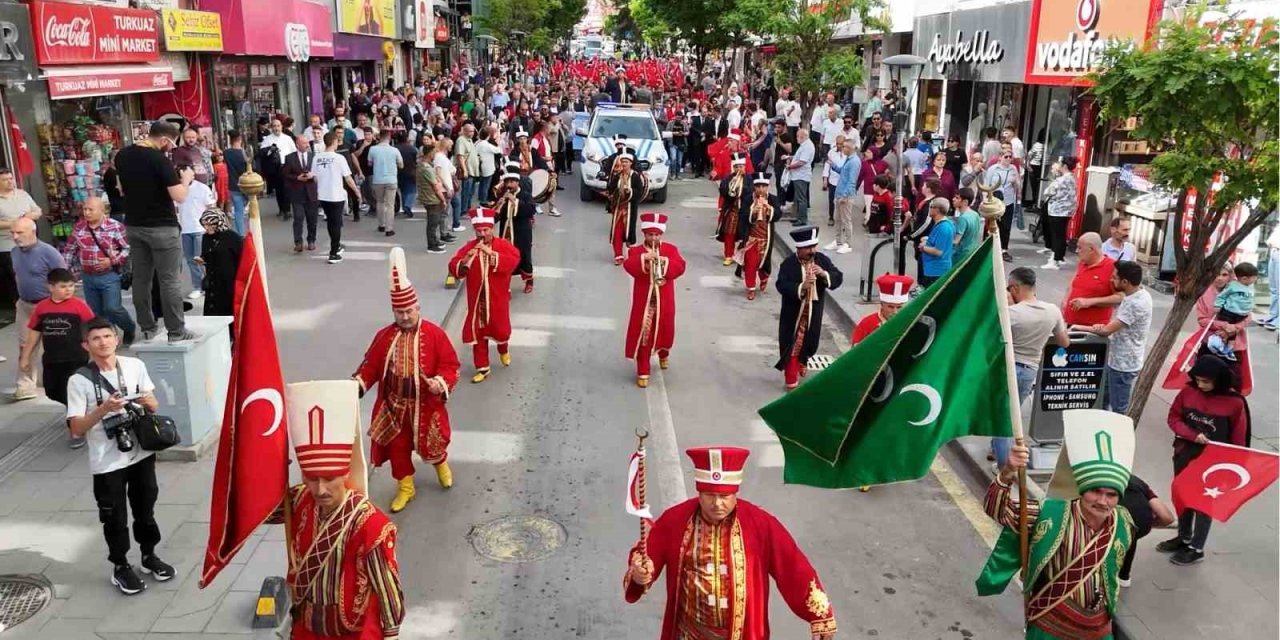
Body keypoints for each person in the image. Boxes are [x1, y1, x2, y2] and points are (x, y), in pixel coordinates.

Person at [623, 446, 838, 639]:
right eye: (709, 495)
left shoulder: (761, 525)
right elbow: (645, 559)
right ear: (699, 492)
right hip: (688, 633)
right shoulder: (674, 521)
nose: (717, 503)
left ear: (735, 493)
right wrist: (641, 574)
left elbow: (792, 567)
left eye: (724, 496)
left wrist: (820, 617)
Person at [978, 415, 1135, 640]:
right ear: (1082, 490)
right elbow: (997, 511)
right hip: (1050, 627)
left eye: (1111, 495)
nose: (1103, 501)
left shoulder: (1123, 522)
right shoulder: (1049, 513)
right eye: (1095, 492)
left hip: (1098, 630)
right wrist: (1008, 471)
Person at [271, 380, 405, 638]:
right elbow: (258, 513)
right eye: (312, 478)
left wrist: (391, 634)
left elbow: (388, 591)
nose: (320, 490)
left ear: (344, 473)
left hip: (349, 632)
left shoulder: (371, 524)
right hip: (307, 628)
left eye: (329, 478)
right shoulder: (300, 500)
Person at [67, 317, 174, 595]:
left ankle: (149, 556)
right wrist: (103, 409)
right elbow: (76, 429)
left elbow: (154, 404)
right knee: (114, 518)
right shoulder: (79, 380)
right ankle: (120, 566)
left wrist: (142, 400)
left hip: (140, 453)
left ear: (117, 339)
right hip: (106, 462)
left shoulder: (134, 365)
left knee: (145, 510)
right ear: (85, 344)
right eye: (96, 338)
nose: (103, 342)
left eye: (107, 336)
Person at [353, 248, 461, 511]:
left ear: (418, 307)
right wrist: (356, 385)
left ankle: (441, 465)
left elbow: (451, 365)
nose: (404, 316)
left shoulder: (435, 335)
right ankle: (405, 488)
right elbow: (371, 366)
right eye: (399, 311)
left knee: (432, 443)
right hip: (394, 407)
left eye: (408, 310)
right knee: (398, 450)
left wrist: (440, 382)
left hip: (426, 405)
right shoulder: (384, 336)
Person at [1157, 355, 1250, 566]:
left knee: (1204, 503)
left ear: (1220, 380)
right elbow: (1174, 418)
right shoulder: (1188, 392)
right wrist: (1191, 434)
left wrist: (1232, 468)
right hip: (1184, 453)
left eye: (1206, 381)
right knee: (1183, 495)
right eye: (1198, 380)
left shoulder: (1235, 403)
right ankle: (1184, 537)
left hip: (1214, 463)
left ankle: (1196, 548)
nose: (1201, 385)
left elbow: (1238, 439)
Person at [115, 122, 194, 343]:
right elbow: (179, 196)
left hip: (134, 225)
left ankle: (148, 327)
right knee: (169, 280)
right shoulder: (160, 160)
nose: (170, 148)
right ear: (163, 140)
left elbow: (121, 188)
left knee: (141, 278)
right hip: (162, 227)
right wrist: (186, 180)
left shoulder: (122, 155)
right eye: (170, 144)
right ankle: (176, 330)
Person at [999, 267, 1070, 466]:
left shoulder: (1010, 314)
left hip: (1007, 369)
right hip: (1030, 370)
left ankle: (1005, 467)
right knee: (1012, 417)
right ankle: (999, 450)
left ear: (1014, 288)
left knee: (1001, 421)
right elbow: (1064, 342)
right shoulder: (1052, 311)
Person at [448, 208, 521, 384]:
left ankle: (503, 349)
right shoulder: (469, 247)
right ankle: (482, 367)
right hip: (477, 301)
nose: (482, 234)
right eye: (479, 231)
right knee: (478, 334)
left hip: (497, 298)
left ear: (491, 229)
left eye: (485, 230)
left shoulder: (502, 244)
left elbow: (514, 259)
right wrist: (466, 260)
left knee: (501, 330)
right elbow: (454, 266)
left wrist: (491, 254)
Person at [1072, 260, 1152, 414]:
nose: (1111, 279)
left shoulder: (1135, 303)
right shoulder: (1140, 294)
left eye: (1114, 277)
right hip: (1117, 359)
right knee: (1103, 400)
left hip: (1122, 365)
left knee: (1118, 409)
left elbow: (1107, 331)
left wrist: (1079, 327)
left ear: (1125, 282)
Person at [1162, 264, 1255, 395]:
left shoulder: (1240, 290)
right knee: (1203, 381)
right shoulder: (1204, 293)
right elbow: (1202, 320)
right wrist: (1223, 325)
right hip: (1210, 342)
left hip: (1234, 345)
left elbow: (1248, 315)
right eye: (1217, 274)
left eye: (1224, 275)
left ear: (1231, 276)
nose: (1220, 278)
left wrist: (1234, 328)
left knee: (1233, 382)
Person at [622, 213, 687, 388]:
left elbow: (681, 267)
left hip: (665, 300)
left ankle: (663, 352)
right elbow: (628, 265)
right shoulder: (636, 251)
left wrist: (663, 261)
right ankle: (643, 368)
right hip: (645, 302)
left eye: (657, 235)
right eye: (650, 234)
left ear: (661, 235)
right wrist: (644, 259)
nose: (653, 238)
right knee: (644, 332)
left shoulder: (670, 249)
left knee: (666, 328)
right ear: (644, 234)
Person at [775, 226, 844, 390]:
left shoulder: (822, 260)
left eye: (814, 247)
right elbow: (781, 285)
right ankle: (791, 379)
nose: (812, 251)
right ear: (799, 249)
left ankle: (803, 360)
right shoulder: (788, 264)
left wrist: (824, 274)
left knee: (809, 341)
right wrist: (801, 287)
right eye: (808, 248)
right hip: (793, 314)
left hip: (813, 312)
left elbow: (837, 277)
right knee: (792, 344)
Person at [61, 197, 135, 346]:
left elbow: (127, 248)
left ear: (102, 210)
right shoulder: (79, 227)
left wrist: (112, 260)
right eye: (85, 209)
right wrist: (65, 272)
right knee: (96, 313)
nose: (87, 213)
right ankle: (108, 341)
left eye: (90, 210)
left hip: (109, 276)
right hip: (88, 277)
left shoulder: (115, 226)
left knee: (112, 308)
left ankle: (129, 327)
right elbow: (70, 250)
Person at [18, 268, 93, 413]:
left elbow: (93, 328)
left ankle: (77, 415)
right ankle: (76, 409)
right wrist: (25, 357)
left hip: (76, 357)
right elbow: (34, 333)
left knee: (72, 388)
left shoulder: (79, 305)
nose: (68, 290)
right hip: (52, 358)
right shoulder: (42, 307)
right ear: (51, 287)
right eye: (63, 286)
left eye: (71, 286)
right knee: (52, 391)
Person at [11, 217, 67, 400]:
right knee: (25, 345)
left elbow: (63, 279)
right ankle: (25, 385)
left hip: (47, 305)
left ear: (33, 232)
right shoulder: (14, 252)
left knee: (54, 345)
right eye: (13, 232)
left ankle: (60, 381)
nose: (15, 236)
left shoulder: (49, 253)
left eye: (19, 233)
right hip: (25, 305)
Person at [311, 132, 361, 264]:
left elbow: (314, 177)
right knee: (336, 223)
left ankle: (336, 245)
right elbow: (348, 178)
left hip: (323, 194)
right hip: (336, 195)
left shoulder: (317, 158)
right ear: (334, 142)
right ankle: (333, 253)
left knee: (331, 222)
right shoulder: (339, 158)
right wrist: (356, 192)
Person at [1119, 474, 1176, 587]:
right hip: (1142, 523)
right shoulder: (1137, 481)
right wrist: (1152, 524)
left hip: (1115, 522)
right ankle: (1123, 576)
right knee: (1132, 532)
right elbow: (1167, 517)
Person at [174, 163, 216, 304]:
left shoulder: (202, 188)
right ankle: (198, 286)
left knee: (201, 259)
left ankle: (209, 283)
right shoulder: (178, 189)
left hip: (200, 229)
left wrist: (211, 225)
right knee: (191, 260)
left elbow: (211, 206)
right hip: (185, 230)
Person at [1062, 232, 1122, 327]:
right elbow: (1073, 283)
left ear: (1091, 249)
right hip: (1071, 322)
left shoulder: (1112, 267)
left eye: (1080, 248)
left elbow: (1120, 297)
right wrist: (1065, 300)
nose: (1077, 251)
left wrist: (1090, 302)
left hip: (1093, 327)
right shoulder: (1083, 262)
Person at [738, 173, 779, 300]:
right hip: (752, 238)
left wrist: (769, 209)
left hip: (766, 237)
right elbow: (742, 216)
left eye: (764, 186)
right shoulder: (748, 199)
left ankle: (764, 277)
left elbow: (778, 215)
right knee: (750, 263)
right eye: (758, 186)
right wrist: (753, 212)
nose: (761, 189)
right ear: (754, 187)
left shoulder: (773, 199)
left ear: (768, 187)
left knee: (764, 262)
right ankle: (751, 288)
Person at [494, 171, 537, 293]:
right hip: (506, 232)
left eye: (512, 182)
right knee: (505, 258)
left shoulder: (525, 195)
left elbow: (531, 210)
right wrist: (498, 206)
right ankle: (505, 285)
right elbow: (497, 216)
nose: (509, 184)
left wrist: (515, 201)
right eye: (507, 182)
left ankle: (529, 281)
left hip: (522, 233)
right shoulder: (503, 195)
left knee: (524, 256)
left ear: (517, 182)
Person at [194, 209, 242, 317]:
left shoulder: (232, 237)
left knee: (229, 312)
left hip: (229, 282)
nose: (207, 228)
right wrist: (202, 260)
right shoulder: (206, 237)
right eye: (204, 225)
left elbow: (242, 258)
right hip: (213, 282)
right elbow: (207, 255)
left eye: (210, 224)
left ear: (218, 222)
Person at [282, 134, 321, 252]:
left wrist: (312, 175)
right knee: (298, 218)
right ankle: (298, 242)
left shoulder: (313, 156)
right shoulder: (289, 158)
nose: (307, 145)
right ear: (297, 145)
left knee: (312, 219)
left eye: (307, 143)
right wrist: (297, 178)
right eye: (304, 143)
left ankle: (311, 240)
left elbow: (319, 172)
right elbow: (285, 174)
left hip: (311, 192)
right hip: (297, 192)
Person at [607, 152, 646, 265]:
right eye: (622, 161)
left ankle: (632, 255)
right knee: (617, 231)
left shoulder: (635, 176)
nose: (624, 164)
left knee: (629, 231)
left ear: (631, 163)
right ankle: (618, 255)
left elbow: (640, 190)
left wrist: (630, 192)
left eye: (626, 162)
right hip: (619, 208)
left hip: (630, 208)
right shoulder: (617, 175)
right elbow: (611, 188)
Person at [852, 273, 913, 344]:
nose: (895, 312)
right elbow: (856, 350)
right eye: (890, 307)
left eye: (899, 307)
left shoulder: (910, 323)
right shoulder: (867, 324)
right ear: (881, 304)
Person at [1040, 158, 1077, 269]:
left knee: (1056, 236)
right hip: (1067, 211)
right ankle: (1060, 257)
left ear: (1065, 166)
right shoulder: (1072, 179)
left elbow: (1047, 192)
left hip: (1057, 211)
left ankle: (1054, 260)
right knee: (1061, 235)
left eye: (1061, 164)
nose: (1059, 166)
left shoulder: (1061, 180)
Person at [983, 147, 1020, 260]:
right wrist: (985, 200)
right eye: (1006, 157)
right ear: (1000, 157)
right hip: (995, 200)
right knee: (992, 225)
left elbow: (1018, 186)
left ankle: (1004, 249)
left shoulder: (1013, 169)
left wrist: (1015, 183)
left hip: (1008, 200)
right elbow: (986, 185)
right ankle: (988, 248)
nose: (1008, 159)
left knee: (1006, 226)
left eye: (1010, 157)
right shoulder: (993, 169)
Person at [258, 118, 297, 219]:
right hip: (275, 167)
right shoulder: (268, 139)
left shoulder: (287, 138)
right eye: (274, 126)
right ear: (271, 127)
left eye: (278, 126)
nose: (276, 128)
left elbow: (294, 151)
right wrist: (270, 150)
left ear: (281, 127)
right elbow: (262, 152)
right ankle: (281, 209)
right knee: (279, 189)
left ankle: (287, 210)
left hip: (286, 165)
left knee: (287, 188)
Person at [828, 139, 862, 254]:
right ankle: (837, 241)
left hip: (845, 195)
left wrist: (845, 195)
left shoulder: (854, 161)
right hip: (839, 193)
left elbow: (852, 181)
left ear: (850, 148)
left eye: (845, 147)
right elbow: (842, 171)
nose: (842, 148)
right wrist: (833, 165)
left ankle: (848, 243)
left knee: (846, 220)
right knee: (837, 218)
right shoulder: (849, 160)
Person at [417, 141, 450, 255]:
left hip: (428, 197)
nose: (435, 155)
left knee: (433, 222)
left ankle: (435, 240)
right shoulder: (427, 168)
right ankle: (431, 244)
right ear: (430, 154)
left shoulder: (422, 165)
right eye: (434, 152)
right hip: (432, 199)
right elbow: (435, 186)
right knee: (433, 223)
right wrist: (443, 199)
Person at [368, 129, 403, 237]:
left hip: (378, 179)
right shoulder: (395, 150)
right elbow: (401, 164)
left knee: (380, 202)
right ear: (389, 138)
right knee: (390, 205)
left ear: (379, 137)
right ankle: (389, 229)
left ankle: (381, 225)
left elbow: (369, 163)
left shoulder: (372, 149)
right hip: (391, 179)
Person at [717, 154, 749, 266]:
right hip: (732, 210)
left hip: (745, 211)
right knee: (729, 234)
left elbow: (751, 193)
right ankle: (728, 255)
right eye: (736, 167)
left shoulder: (749, 179)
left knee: (746, 236)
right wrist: (732, 188)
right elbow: (723, 191)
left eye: (741, 166)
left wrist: (742, 188)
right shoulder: (728, 179)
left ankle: (742, 256)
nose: (739, 169)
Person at [917, 197, 955, 288]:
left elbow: (938, 251)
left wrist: (923, 247)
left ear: (937, 210)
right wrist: (927, 239)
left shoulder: (943, 228)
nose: (929, 209)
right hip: (932, 269)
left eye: (931, 207)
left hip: (936, 271)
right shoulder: (942, 225)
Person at [786, 129, 815, 225]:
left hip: (801, 175)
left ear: (802, 136)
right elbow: (799, 157)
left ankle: (802, 219)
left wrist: (790, 166)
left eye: (797, 137)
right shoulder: (804, 146)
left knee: (801, 198)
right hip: (798, 175)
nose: (796, 139)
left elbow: (802, 162)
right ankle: (798, 216)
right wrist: (790, 158)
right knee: (797, 197)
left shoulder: (807, 146)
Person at [223, 131, 249, 235]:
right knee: (243, 210)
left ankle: (240, 233)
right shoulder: (244, 154)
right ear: (240, 140)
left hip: (233, 184)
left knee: (238, 211)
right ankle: (244, 233)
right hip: (245, 184)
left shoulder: (226, 153)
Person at [820, 134, 849, 227]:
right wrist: (825, 179)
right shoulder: (831, 152)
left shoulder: (848, 153)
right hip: (833, 180)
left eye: (841, 144)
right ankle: (831, 217)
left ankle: (843, 220)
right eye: (837, 144)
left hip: (844, 181)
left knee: (844, 202)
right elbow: (827, 166)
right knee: (832, 200)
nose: (839, 146)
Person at [951, 188, 982, 263]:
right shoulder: (975, 214)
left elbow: (956, 241)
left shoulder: (963, 218)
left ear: (965, 202)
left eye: (957, 198)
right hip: (973, 250)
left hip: (961, 254)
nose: (953, 199)